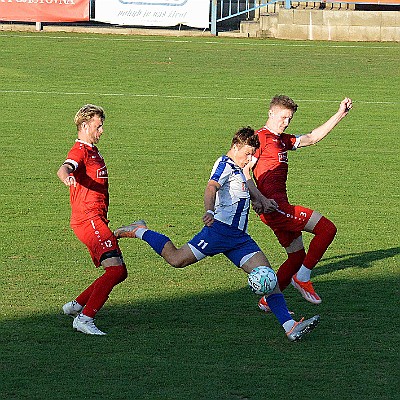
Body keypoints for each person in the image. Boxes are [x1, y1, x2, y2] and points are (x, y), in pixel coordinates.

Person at [114, 126, 320, 341]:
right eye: (247, 153)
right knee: (176, 259)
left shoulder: (241, 167)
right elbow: (211, 187)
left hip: (239, 239)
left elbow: (245, 189)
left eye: (252, 154)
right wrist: (209, 210)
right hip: (218, 233)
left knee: (268, 277)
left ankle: (290, 326)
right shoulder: (224, 164)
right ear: (235, 147)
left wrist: (260, 202)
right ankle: (140, 231)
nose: (250, 158)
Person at [248, 95, 352, 312]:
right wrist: (259, 199)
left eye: (289, 119)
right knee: (327, 229)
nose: (285, 122)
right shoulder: (260, 139)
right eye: (283, 117)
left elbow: (312, 137)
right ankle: (302, 278)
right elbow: (244, 170)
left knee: (296, 257)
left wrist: (340, 113)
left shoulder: (281, 140)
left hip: (275, 209)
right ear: (271, 113)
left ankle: (268, 301)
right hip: (275, 208)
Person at [57, 104, 128, 335]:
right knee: (115, 271)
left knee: (120, 271)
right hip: (87, 220)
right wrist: (66, 177)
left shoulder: (94, 151)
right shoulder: (80, 151)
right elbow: (65, 167)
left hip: (96, 219)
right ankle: (85, 319)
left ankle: (76, 305)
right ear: (85, 126)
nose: (102, 130)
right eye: (98, 126)